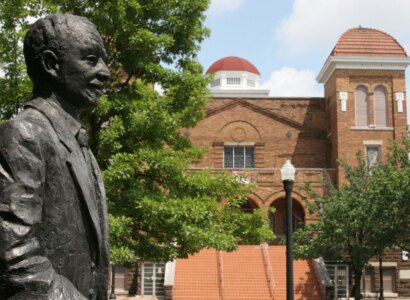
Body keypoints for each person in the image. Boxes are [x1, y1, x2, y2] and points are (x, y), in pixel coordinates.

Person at [0, 14, 110, 299]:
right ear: (51, 64)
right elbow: (16, 259)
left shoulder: (77, 142)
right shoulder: (24, 134)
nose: (105, 72)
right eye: (90, 59)